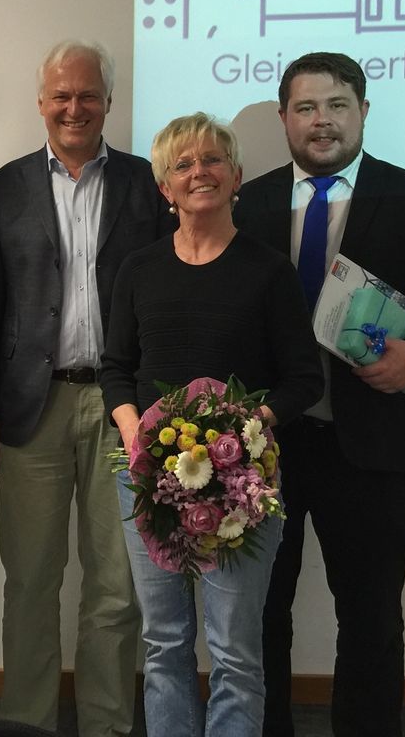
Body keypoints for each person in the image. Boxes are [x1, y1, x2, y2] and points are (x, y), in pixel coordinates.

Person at [233, 52, 405, 737]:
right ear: (284, 118)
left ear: (363, 111)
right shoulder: (248, 203)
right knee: (259, 615)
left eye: (337, 105)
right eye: (306, 107)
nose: (322, 121)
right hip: (263, 449)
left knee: (371, 618)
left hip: (379, 446)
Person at [100, 113, 323, 737]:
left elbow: (304, 379)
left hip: (241, 480)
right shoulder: (138, 269)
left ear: (237, 177)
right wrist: (135, 434)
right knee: (164, 641)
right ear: (164, 188)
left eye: (212, 160)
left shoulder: (269, 271)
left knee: (234, 650)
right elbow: (116, 369)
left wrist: (244, 430)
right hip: (147, 478)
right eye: (183, 164)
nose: (199, 172)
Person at [0, 39, 171, 736]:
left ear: (108, 102)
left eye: (87, 95)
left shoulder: (147, 183)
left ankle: (106, 726)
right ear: (41, 103)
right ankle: (26, 724)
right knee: (30, 581)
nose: (74, 107)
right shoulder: (4, 187)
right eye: (61, 95)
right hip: (32, 408)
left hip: (124, 408)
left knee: (116, 586)